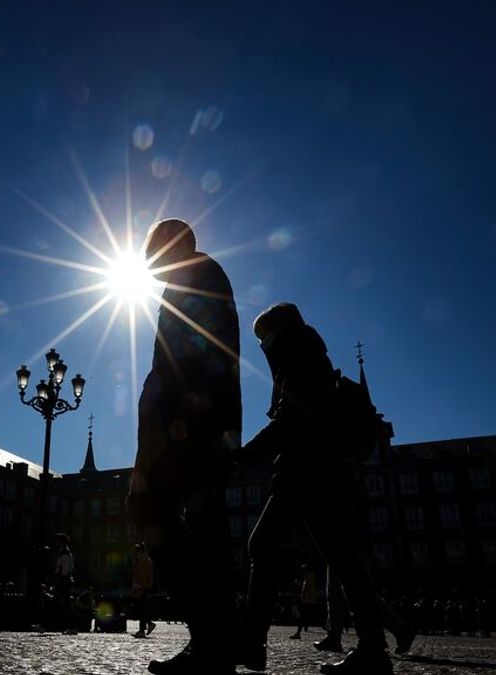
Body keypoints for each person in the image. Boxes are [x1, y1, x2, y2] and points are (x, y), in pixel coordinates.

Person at [235, 303, 392, 674]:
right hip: (316, 472)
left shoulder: (301, 357)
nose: (263, 345)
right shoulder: (303, 356)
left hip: (306, 471)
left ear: (282, 328)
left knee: (265, 545)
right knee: (342, 560)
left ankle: (253, 644)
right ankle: (373, 649)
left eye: (265, 336)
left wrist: (246, 454)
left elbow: (291, 420)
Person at [126, 218, 242, 675]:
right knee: (201, 529)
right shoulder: (191, 279)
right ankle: (216, 641)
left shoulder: (198, 277)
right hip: (191, 429)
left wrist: (180, 420)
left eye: (152, 251)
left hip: (187, 432)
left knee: (159, 514)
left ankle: (212, 639)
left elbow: (196, 356)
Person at [131, 543, 156, 638]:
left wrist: (139, 586)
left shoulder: (143, 560)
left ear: (138, 551)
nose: (133, 553)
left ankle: (144, 629)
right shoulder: (144, 559)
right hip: (143, 586)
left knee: (140, 609)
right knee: (141, 609)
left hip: (142, 587)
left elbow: (143, 575)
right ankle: (147, 625)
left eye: (134, 551)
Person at [52, 534, 77, 634]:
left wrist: (59, 577)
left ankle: (45, 625)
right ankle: (71, 627)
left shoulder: (65, 553)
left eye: (58, 540)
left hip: (63, 581)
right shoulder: (65, 552)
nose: (56, 542)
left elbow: (65, 569)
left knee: (62, 603)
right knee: (64, 604)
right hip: (64, 580)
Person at [290, 563, 318, 639]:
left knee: (303, 616)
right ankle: (301, 630)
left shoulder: (308, 576)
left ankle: (298, 633)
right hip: (311, 599)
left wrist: (303, 594)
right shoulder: (311, 576)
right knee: (307, 616)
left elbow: (306, 587)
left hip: (307, 599)